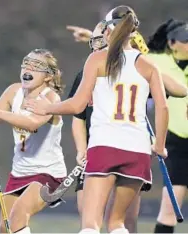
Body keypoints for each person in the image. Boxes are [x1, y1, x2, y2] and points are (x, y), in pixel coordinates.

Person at [25, 6, 169, 234]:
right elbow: (162, 106)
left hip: (104, 147)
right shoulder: (149, 65)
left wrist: (47, 108)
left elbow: (77, 105)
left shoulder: (97, 59)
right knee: (117, 224)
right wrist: (160, 144)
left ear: (108, 31)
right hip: (138, 150)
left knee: (91, 224)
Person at [70, 22, 187, 233]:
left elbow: (179, 90)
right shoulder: (88, 71)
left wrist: (144, 61)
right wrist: (80, 149)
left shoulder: (137, 69)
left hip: (114, 148)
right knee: (92, 217)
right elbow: (78, 116)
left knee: (123, 221)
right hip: (97, 152)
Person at [0, 48, 67, 233]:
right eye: (26, 63)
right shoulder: (14, 91)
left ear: (48, 77)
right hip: (19, 172)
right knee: (6, 228)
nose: (28, 68)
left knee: (19, 215)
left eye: (36, 66)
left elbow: (31, 123)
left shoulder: (51, 97)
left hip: (47, 173)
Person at [147, 19, 188, 234]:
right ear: (172, 43)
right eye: (186, 41)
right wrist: (91, 36)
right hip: (177, 142)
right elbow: (123, 51)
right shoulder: (156, 61)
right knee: (171, 207)